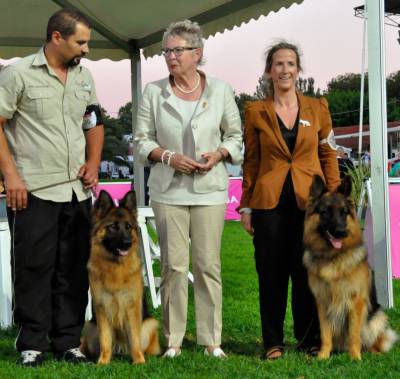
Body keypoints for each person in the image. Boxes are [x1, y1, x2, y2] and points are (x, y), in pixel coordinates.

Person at [0, 9, 104, 366]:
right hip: (32, 190)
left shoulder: (84, 76)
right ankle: (32, 343)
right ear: (56, 38)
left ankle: (68, 342)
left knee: (74, 268)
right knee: (33, 267)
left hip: (76, 192)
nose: (86, 49)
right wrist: (10, 176)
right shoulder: (17, 74)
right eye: (81, 42)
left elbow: (93, 122)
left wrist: (93, 163)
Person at [134, 19, 242, 359]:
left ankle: (212, 340)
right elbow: (140, 143)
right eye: (166, 51)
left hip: (210, 189)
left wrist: (220, 154)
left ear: (197, 53)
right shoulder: (153, 92)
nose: (170, 57)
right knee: (173, 267)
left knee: (208, 265)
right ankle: (174, 341)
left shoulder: (221, 90)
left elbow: (235, 136)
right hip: (168, 191)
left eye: (177, 50)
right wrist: (168, 156)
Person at [239, 41, 340, 360]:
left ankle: (309, 339)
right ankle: (272, 342)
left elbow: (328, 152)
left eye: (290, 63)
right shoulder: (255, 112)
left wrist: (334, 194)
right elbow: (251, 162)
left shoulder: (318, 108)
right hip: (268, 204)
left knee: (307, 271)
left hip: (310, 206)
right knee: (271, 274)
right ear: (269, 71)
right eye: (278, 64)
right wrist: (246, 205)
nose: (284, 69)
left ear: (298, 70)